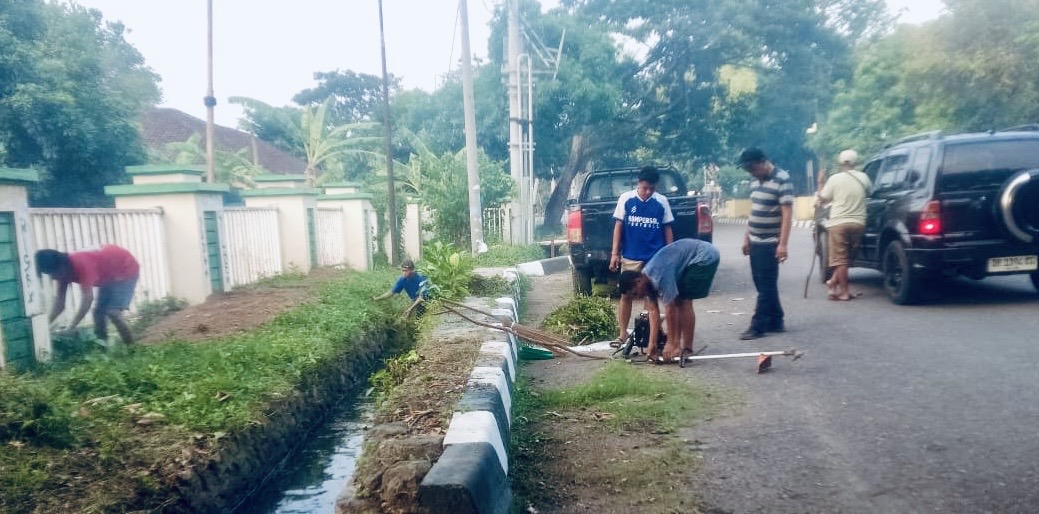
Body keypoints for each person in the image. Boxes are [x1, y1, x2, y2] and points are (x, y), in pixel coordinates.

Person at [618, 238, 720, 363]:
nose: (638, 296)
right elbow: (653, 313)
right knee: (677, 301)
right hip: (690, 258)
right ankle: (676, 345)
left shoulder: (659, 276)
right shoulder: (646, 282)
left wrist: (671, 343)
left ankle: (686, 348)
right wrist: (652, 344)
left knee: (683, 301)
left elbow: (670, 308)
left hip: (704, 256)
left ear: (638, 281)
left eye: (635, 293)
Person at [609, 165, 675, 346]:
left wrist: (670, 256)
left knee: (650, 297)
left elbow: (667, 228)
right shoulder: (626, 199)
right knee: (625, 295)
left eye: (652, 189)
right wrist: (615, 253)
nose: (648, 192)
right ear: (638, 183)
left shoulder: (661, 202)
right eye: (645, 188)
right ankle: (622, 334)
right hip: (631, 256)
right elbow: (618, 226)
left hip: (655, 258)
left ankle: (649, 335)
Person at [737, 147, 794, 340]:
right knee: (761, 283)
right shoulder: (755, 181)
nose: (752, 173)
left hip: (771, 242)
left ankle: (758, 325)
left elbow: (787, 214)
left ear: (762, 162)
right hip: (755, 241)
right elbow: (754, 211)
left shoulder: (782, 178)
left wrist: (783, 244)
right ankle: (776, 320)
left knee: (766, 284)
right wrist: (747, 237)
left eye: (753, 169)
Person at [35, 245, 140, 345]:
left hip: (125, 267)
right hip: (109, 274)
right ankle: (102, 348)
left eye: (52, 273)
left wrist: (71, 327)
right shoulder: (63, 271)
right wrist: (43, 327)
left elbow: (87, 299)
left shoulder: (81, 263)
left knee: (113, 312)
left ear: (61, 266)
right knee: (98, 313)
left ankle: (132, 350)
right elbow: (60, 304)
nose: (52, 277)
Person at [818, 149, 872, 301]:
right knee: (848, 257)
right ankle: (832, 282)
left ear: (840, 163)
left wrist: (820, 183)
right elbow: (870, 193)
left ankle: (844, 292)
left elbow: (822, 200)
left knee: (841, 259)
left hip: (838, 223)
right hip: (858, 223)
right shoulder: (864, 177)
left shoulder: (834, 179)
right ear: (855, 162)